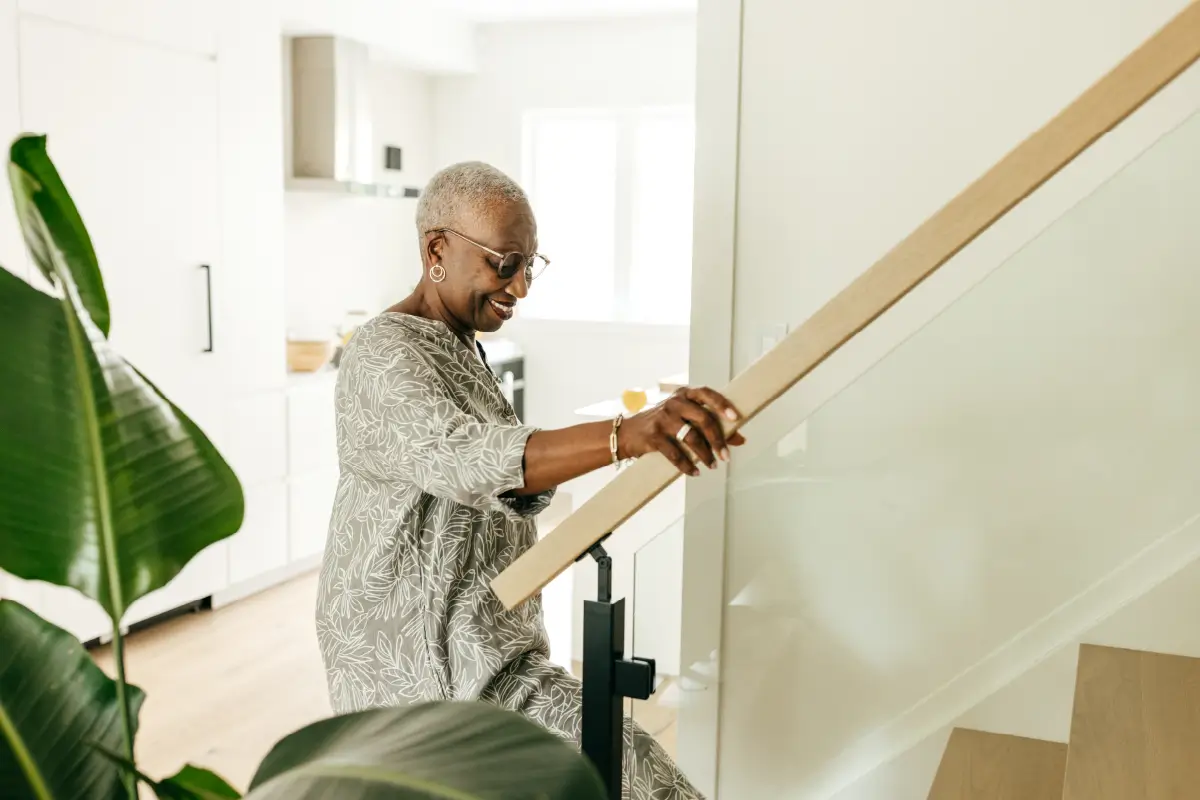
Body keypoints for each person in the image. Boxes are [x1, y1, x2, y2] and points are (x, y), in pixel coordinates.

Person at [315, 161, 744, 799]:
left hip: (490, 644)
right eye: (504, 262)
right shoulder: (382, 350)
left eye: (530, 265)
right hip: (417, 659)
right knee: (627, 769)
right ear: (438, 249)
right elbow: (465, 458)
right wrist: (628, 433)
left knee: (630, 765)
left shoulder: (460, 345)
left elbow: (505, 483)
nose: (520, 286)